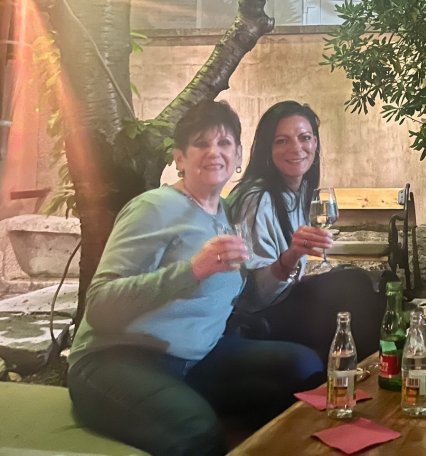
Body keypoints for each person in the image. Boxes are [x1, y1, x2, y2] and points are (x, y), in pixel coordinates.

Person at [68, 101, 324, 456]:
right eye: (201, 143)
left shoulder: (226, 215)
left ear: (238, 157)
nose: (214, 152)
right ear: (180, 158)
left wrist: (290, 256)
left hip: (199, 356)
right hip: (118, 360)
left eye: (224, 143)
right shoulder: (153, 208)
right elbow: (99, 306)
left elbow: (248, 297)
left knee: (305, 368)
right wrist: (192, 270)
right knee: (197, 433)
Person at [227, 100, 383, 363]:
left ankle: (368, 369)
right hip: (256, 319)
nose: (296, 148)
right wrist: (292, 257)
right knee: (353, 285)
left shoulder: (299, 194)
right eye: (282, 141)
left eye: (305, 138)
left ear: (315, 143)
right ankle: (367, 373)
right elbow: (254, 295)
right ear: (267, 148)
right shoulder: (257, 198)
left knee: (373, 285)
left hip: (281, 303)